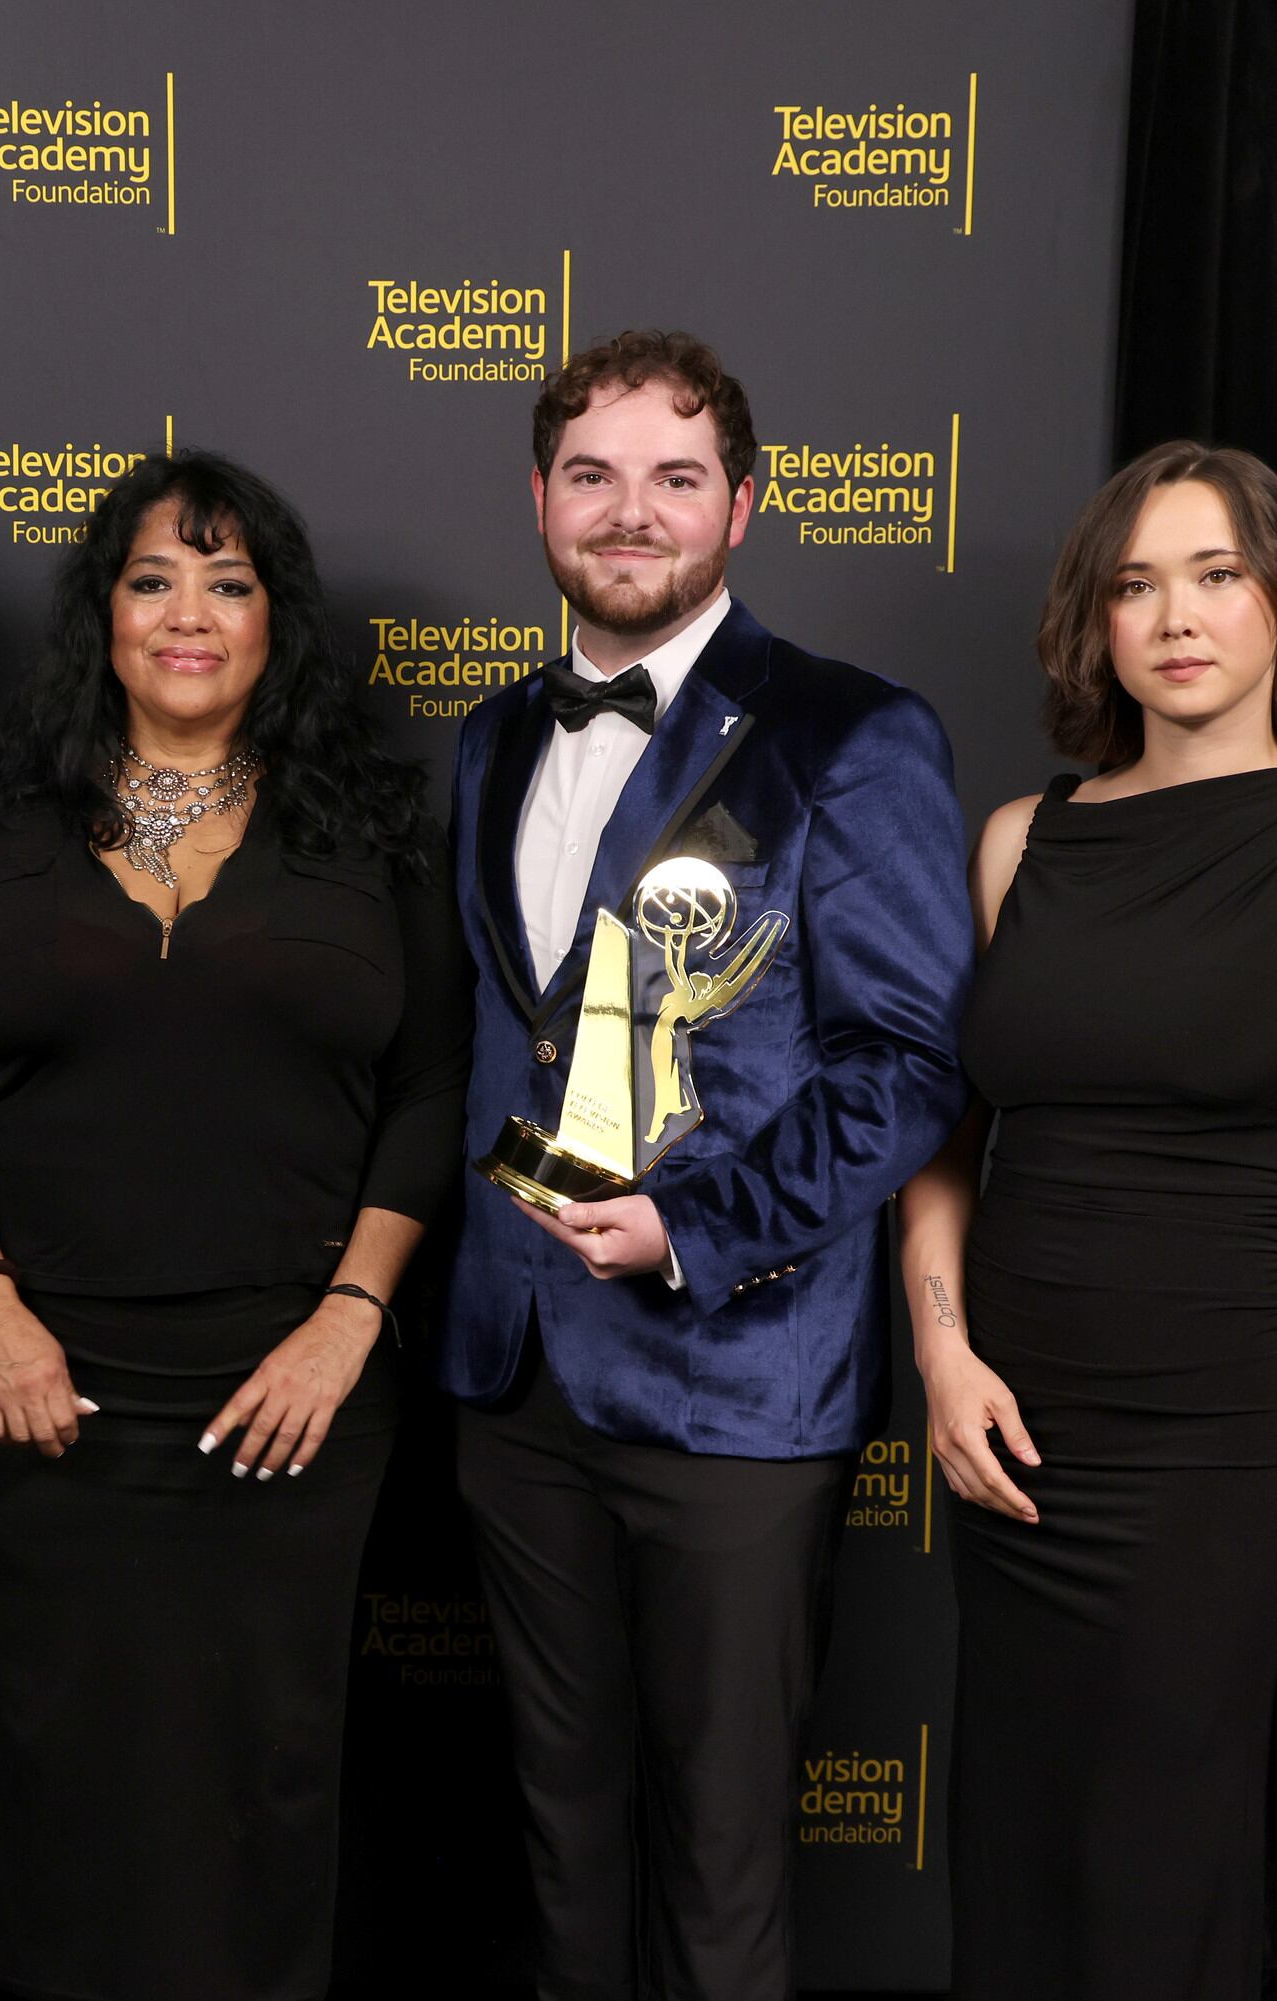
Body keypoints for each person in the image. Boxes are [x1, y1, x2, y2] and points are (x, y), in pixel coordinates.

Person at [899, 443, 1277, 2000]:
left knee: (1159, 1853)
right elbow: (948, 1141)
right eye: (1134, 584)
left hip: (1223, 1448)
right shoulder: (1021, 843)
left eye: (1216, 574)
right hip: (1017, 1429)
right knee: (1017, 1840)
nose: (1175, 616)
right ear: (1097, 623)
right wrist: (942, 1354)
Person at [0, 450, 468, 2001]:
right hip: (32, 1387)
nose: (189, 613)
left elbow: (431, 1086)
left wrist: (350, 1319)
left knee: (267, 1777)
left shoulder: (373, 823)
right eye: (154, 579)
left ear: (279, 617)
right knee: (60, 1770)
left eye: (229, 580)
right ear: (104, 610)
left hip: (293, 1391)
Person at [437, 331, 972, 1998]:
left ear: (742, 505)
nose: (629, 513)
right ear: (539, 500)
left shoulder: (848, 735)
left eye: (677, 478)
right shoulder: (493, 737)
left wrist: (689, 1225)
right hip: (515, 1377)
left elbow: (908, 1066)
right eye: (591, 475)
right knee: (560, 1838)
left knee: (725, 1860)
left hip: (734, 1374)